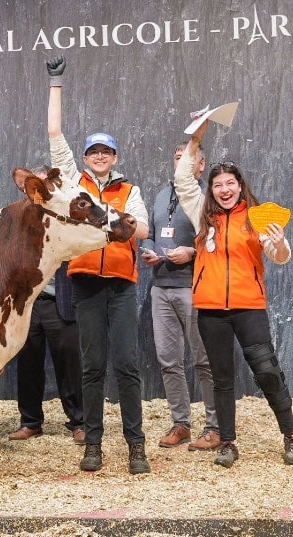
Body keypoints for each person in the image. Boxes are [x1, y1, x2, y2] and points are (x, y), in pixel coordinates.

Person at [46, 55, 151, 474]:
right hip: (86, 285)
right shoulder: (75, 183)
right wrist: (56, 83)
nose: (100, 155)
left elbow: (142, 229)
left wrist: (117, 218)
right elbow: (55, 133)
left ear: (115, 155)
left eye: (106, 150)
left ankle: (136, 446)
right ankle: (93, 445)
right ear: (86, 156)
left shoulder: (130, 188)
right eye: (94, 150)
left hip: (123, 286)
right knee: (91, 367)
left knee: (126, 365)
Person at [174, 119, 293, 468]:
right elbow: (183, 178)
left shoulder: (257, 217)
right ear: (210, 189)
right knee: (222, 379)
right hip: (211, 312)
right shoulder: (202, 215)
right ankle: (227, 443)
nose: (225, 189)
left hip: (249, 309)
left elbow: (279, 258)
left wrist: (282, 244)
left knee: (268, 372)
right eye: (218, 184)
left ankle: (290, 434)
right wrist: (196, 137)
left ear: (240, 186)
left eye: (230, 183)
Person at [141, 142, 219, 451]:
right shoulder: (161, 196)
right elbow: (149, 230)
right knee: (168, 360)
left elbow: (217, 240)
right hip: (160, 287)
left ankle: (213, 426)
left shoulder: (206, 198)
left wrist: (191, 252)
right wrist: (147, 249)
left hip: (194, 287)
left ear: (200, 166)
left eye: (187, 160)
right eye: (177, 159)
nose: (181, 164)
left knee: (203, 360)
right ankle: (181, 423)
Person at [7, 166, 85, 446]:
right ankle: (30, 422)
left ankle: (79, 421)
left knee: (69, 363)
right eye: (35, 184)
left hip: (58, 298)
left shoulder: (65, 215)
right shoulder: (20, 218)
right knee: (27, 362)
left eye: (45, 183)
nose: (40, 188)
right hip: (27, 302)